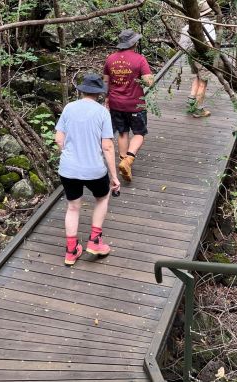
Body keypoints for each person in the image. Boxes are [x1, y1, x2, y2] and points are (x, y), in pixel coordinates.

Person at [55, 73, 121, 266]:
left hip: (68, 169)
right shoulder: (102, 112)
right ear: (99, 93)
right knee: (102, 197)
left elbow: (59, 139)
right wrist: (114, 177)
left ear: (81, 90)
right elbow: (107, 146)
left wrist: (70, 154)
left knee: (73, 207)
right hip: (94, 169)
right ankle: (95, 240)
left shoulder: (69, 108)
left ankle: (71, 251)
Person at [103, 29, 154, 182]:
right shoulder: (140, 59)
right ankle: (128, 160)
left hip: (115, 102)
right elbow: (149, 81)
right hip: (135, 103)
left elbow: (105, 81)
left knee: (123, 132)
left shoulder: (110, 59)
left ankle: (124, 162)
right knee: (139, 133)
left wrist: (107, 98)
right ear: (134, 43)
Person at [178, 2, 216, 118]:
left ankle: (191, 102)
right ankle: (199, 110)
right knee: (203, 82)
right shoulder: (208, 25)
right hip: (202, 56)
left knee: (197, 77)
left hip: (191, 55)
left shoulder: (190, 24)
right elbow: (210, 45)